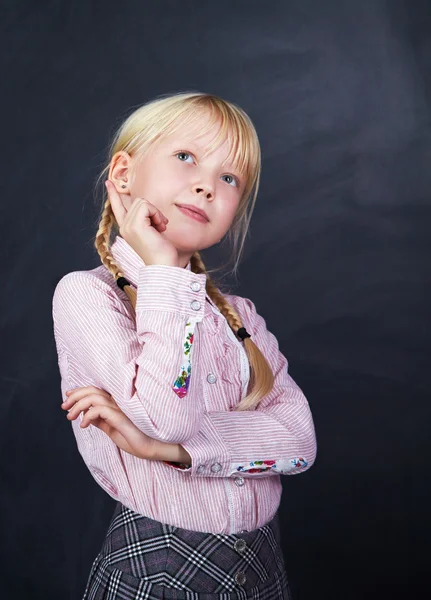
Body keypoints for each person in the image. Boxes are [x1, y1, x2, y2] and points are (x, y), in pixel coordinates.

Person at [52, 91, 317, 599]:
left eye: (229, 178)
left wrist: (171, 451)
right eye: (185, 157)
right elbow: (164, 415)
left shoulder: (240, 317)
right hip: (158, 564)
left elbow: (300, 443)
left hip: (262, 562)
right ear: (124, 175)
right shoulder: (86, 295)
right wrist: (160, 272)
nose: (206, 184)